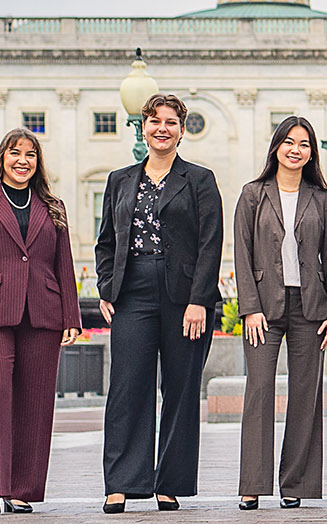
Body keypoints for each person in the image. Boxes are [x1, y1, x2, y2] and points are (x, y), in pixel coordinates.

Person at [94, 93, 223, 514]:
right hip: (132, 291)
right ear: (144, 128)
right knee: (127, 388)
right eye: (154, 121)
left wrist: (199, 300)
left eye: (171, 122)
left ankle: (170, 482)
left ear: (182, 131)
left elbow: (210, 243)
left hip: (185, 296)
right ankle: (121, 483)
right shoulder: (120, 179)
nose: (162, 128)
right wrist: (107, 287)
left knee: (181, 389)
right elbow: (107, 241)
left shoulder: (200, 180)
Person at [0, 128, 83, 516]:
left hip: (43, 313)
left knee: (36, 402)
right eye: (15, 153)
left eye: (30, 154)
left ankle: (22, 489)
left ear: (38, 162)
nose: (22, 160)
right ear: (3, 157)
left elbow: (64, 262)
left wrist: (71, 315)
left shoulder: (52, 204)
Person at [232, 116, 327, 510]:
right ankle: (252, 483)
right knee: (259, 391)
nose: (296, 150)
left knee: (305, 396)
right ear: (276, 147)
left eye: (305, 144)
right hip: (263, 307)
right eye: (289, 142)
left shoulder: (321, 199)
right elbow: (241, 257)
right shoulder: (252, 195)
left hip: (311, 309)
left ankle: (295, 483)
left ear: (312, 153)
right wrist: (249, 308)